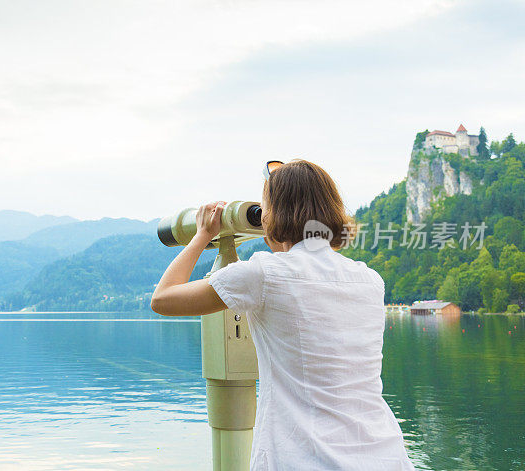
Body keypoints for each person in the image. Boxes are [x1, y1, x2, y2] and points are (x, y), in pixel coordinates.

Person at [151, 159, 414, 470]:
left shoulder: (265, 275)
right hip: (384, 455)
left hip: (305, 459)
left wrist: (203, 235)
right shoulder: (369, 279)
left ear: (273, 215)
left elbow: (163, 299)